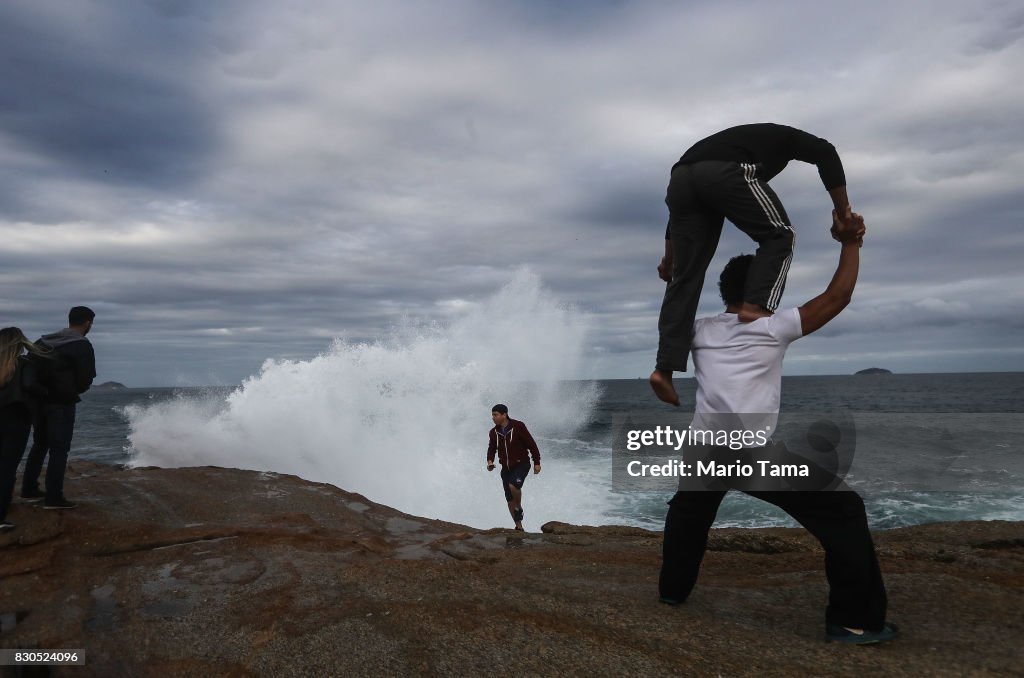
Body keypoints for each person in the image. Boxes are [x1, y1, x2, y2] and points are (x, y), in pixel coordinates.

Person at [658, 207, 898, 645]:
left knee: (689, 517)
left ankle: (672, 594)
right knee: (845, 512)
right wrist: (851, 242)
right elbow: (837, 296)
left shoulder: (700, 330)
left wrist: (671, 262)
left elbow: (675, 302)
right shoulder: (774, 327)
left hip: (700, 449)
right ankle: (853, 621)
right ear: (765, 287)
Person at [651, 122, 851, 407]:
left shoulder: (737, 141)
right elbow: (825, 151)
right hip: (723, 171)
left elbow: (677, 217)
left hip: (680, 179)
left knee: (684, 275)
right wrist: (844, 213)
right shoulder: (787, 138)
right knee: (780, 234)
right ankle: (756, 304)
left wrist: (670, 260)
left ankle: (664, 370)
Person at [21, 306, 97, 510]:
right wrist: (74, 390)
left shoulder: (43, 341)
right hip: (62, 403)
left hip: (38, 401)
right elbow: (86, 377)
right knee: (59, 449)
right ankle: (54, 498)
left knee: (39, 444)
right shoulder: (81, 345)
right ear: (88, 323)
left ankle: (28, 489)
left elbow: (28, 367)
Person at [0, 328, 49, 531]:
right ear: (20, 343)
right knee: (7, 468)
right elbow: (29, 385)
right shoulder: (24, 364)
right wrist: (45, 392)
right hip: (15, 419)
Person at [486, 404, 541, 531]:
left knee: (513, 486)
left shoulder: (518, 426)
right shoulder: (493, 432)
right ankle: (519, 527)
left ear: (504, 415)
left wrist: (536, 462)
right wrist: (490, 462)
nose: (493, 418)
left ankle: (519, 507)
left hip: (522, 463)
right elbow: (492, 448)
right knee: (509, 500)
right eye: (492, 415)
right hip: (506, 468)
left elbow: (531, 444)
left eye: (495, 415)